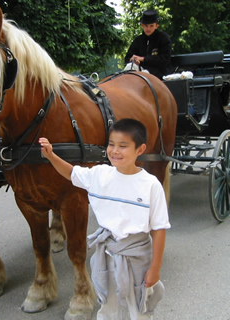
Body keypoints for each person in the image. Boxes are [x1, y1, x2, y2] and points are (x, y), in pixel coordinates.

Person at [39, 119, 170, 319]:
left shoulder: (150, 185)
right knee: (107, 305)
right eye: (111, 144)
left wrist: (155, 268)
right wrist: (51, 156)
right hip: (107, 251)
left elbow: (159, 229)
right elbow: (71, 173)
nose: (115, 151)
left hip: (137, 255)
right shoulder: (100, 174)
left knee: (139, 308)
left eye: (123, 146)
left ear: (140, 149)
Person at [124, 10, 172, 80]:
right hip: (141, 70)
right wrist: (133, 60)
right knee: (129, 68)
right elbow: (127, 58)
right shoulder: (138, 40)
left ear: (156, 26)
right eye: (146, 26)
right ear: (142, 25)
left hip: (160, 71)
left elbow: (164, 59)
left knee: (143, 76)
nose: (148, 29)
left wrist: (143, 59)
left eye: (151, 26)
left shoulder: (163, 38)